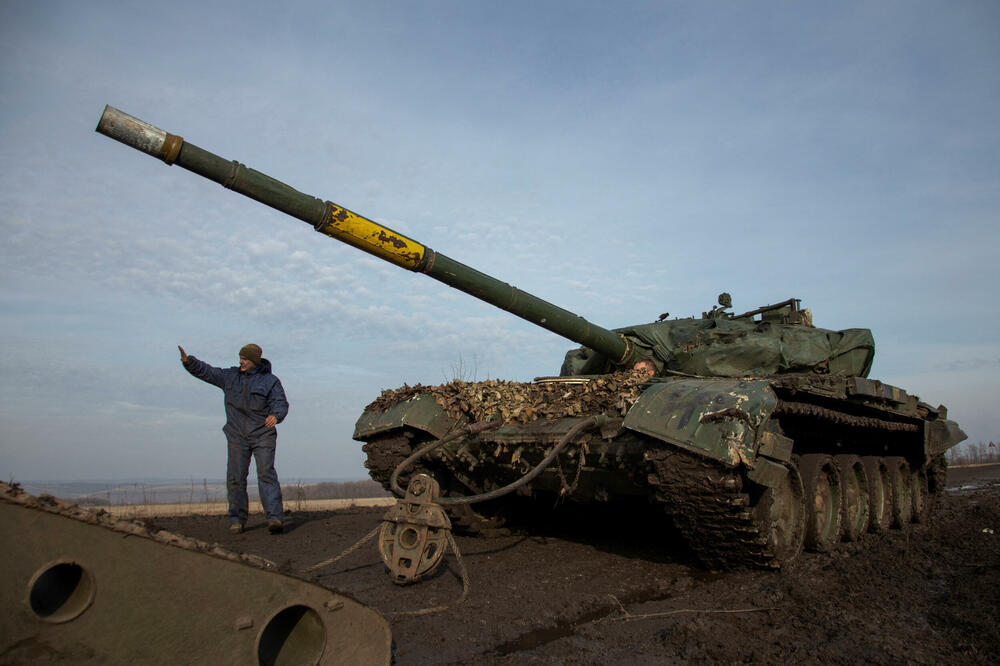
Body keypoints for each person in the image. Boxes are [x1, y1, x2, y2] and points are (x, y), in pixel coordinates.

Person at [178, 343, 289, 534]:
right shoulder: (230, 376)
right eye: (240, 358)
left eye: (245, 359)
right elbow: (208, 372)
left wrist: (276, 415)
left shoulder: (270, 381)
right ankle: (237, 519)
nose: (241, 362)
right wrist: (189, 362)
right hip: (237, 435)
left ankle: (275, 518)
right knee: (235, 478)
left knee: (266, 474)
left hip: (263, 434)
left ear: (254, 361)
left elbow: (280, 403)